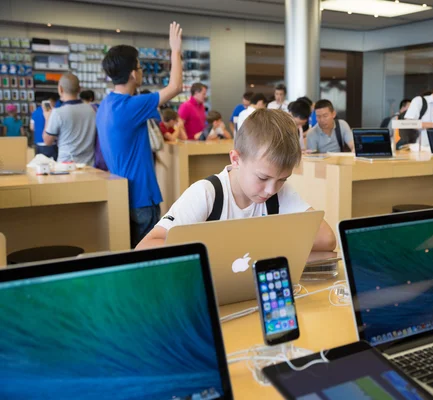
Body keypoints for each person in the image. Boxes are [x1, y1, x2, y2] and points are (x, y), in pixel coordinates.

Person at [136, 108, 337, 251]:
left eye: (282, 179)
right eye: (263, 177)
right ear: (236, 159)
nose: (270, 190)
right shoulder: (207, 193)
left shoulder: (279, 194)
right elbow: (146, 247)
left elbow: (327, 239)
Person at [96, 22, 184, 249]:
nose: (142, 71)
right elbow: (175, 86)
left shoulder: (106, 105)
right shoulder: (131, 105)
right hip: (142, 196)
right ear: (133, 74)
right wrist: (175, 50)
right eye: (140, 67)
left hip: (123, 195)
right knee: (150, 255)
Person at [42, 73, 96, 166]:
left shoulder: (58, 113)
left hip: (66, 166)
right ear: (79, 89)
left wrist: (47, 119)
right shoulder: (92, 110)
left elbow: (47, 141)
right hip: (89, 165)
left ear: (60, 89)